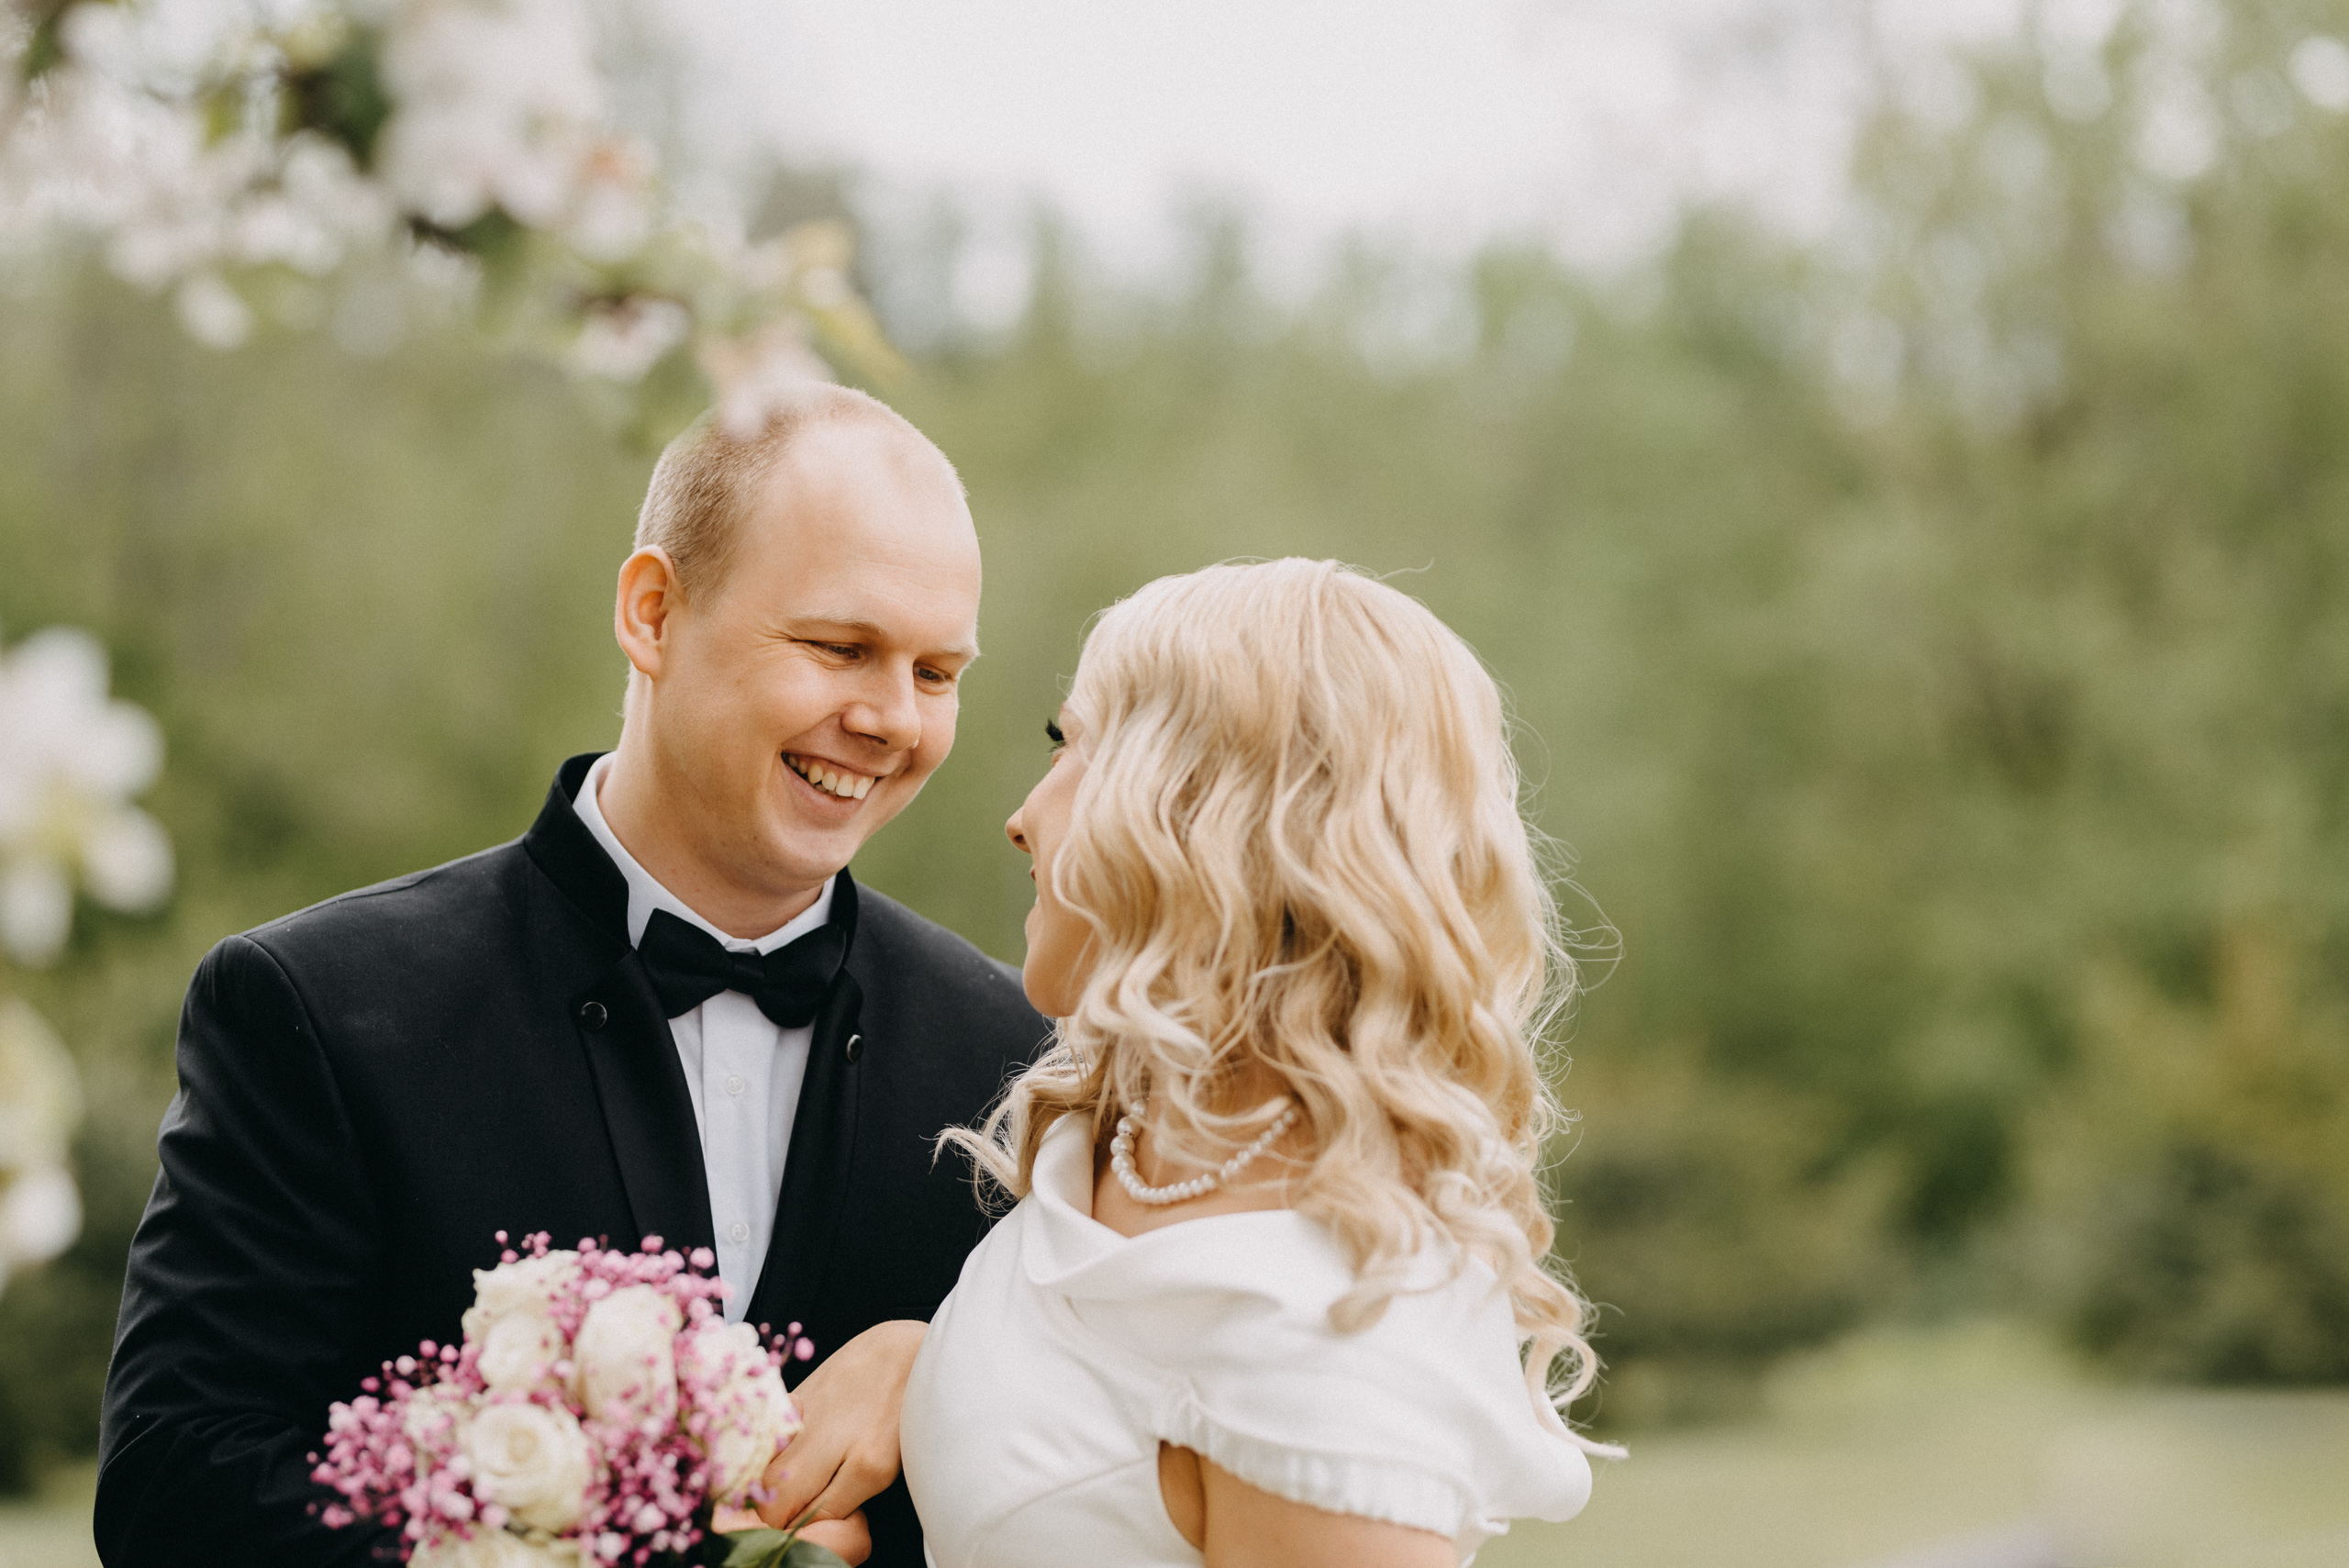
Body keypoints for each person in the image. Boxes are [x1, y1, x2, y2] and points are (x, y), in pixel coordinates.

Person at [96, 387, 1047, 1568]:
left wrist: (937, 1369)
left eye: (937, 671)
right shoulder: (316, 1007)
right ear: (653, 613)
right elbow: (178, 1483)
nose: (892, 718)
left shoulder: (1020, 1058)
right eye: (839, 647)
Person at [900, 558, 1616, 1567]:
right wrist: (907, 1368)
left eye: (1075, 748)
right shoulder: (1124, 1133)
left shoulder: (1328, 1337)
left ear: (1205, 815)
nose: (1023, 815)